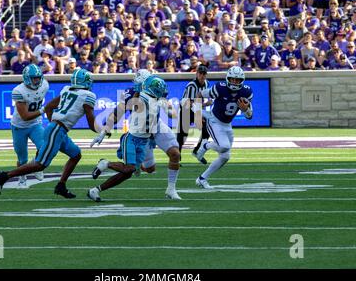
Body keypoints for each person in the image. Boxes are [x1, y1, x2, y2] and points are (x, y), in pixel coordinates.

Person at [0, 68, 100, 198]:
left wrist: (53, 123)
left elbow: (49, 106)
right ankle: (5, 175)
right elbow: (92, 124)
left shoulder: (67, 89)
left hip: (57, 129)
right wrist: (103, 130)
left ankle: (61, 185)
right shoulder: (89, 96)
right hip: (55, 130)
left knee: (75, 155)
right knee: (40, 165)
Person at [94, 69, 181, 200]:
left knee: (175, 154)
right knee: (150, 169)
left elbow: (172, 112)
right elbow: (116, 114)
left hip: (157, 127)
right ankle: (136, 164)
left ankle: (171, 189)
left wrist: (169, 110)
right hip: (140, 132)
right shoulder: (131, 94)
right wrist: (103, 131)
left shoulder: (155, 88)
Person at [194, 66, 253, 188]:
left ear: (242, 80)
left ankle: (202, 178)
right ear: (228, 79)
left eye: (237, 80)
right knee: (224, 146)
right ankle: (206, 145)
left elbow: (249, 116)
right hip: (214, 120)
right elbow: (200, 94)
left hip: (227, 125)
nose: (234, 82)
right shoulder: (220, 88)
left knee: (226, 156)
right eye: (232, 79)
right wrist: (199, 111)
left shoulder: (246, 92)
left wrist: (246, 110)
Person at [10, 65, 48, 187]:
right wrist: (43, 110)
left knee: (44, 147)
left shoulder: (45, 85)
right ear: (27, 78)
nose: (37, 81)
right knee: (22, 159)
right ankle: (22, 178)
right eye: (34, 78)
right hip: (19, 126)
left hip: (35, 124)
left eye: (38, 78)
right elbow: (25, 116)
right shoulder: (19, 91)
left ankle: (36, 165)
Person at [176, 64, 211, 165]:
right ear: (196, 73)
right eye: (200, 73)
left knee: (206, 131)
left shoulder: (207, 84)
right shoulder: (192, 85)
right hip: (186, 109)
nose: (202, 75)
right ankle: (176, 157)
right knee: (182, 134)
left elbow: (202, 100)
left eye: (204, 74)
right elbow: (191, 103)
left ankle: (197, 151)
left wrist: (205, 105)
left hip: (196, 108)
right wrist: (200, 113)